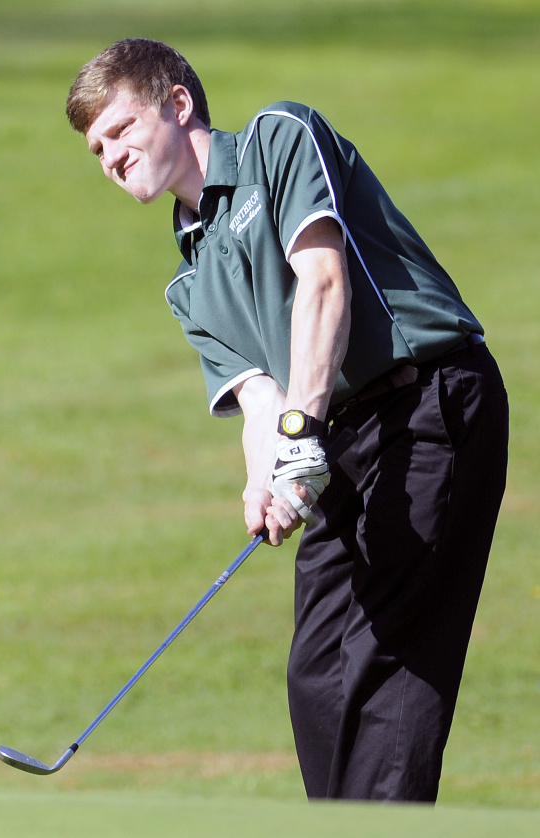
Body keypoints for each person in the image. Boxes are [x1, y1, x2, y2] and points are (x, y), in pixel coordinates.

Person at [65, 38, 508, 802]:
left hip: (430, 403)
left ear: (176, 105)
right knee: (320, 673)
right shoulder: (190, 282)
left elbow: (324, 283)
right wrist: (264, 480)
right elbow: (259, 402)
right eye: (96, 147)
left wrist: (301, 437)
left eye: (119, 130)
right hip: (338, 443)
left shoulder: (278, 138)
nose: (109, 156)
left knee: (387, 659)